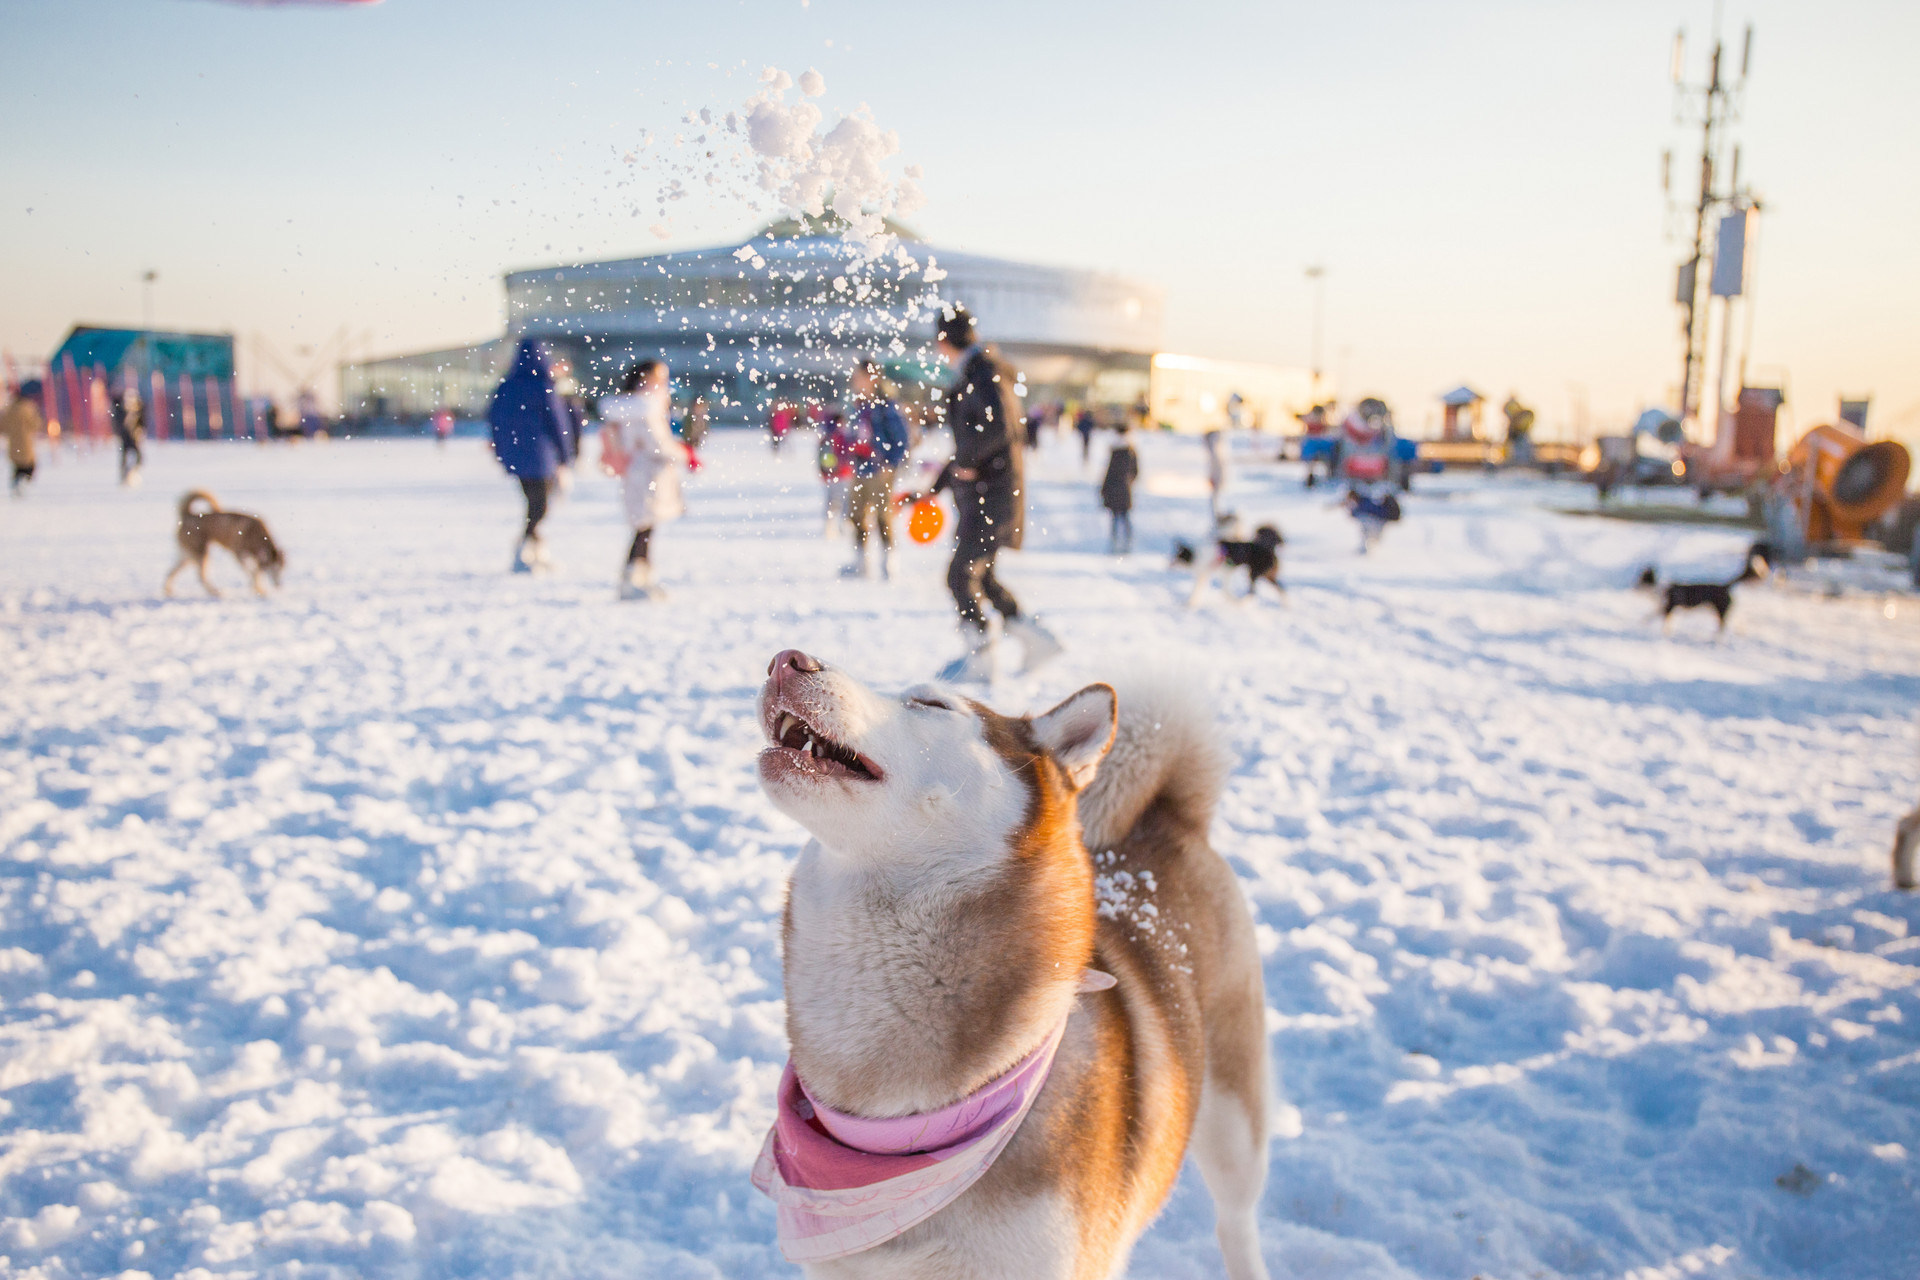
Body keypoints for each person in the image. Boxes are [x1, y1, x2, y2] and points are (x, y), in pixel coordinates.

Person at [921, 305, 1060, 681]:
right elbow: (977, 439)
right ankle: (1038, 641)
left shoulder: (984, 372)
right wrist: (934, 489)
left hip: (991, 495)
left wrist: (966, 461)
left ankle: (982, 656)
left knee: (960, 576)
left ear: (942, 340)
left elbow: (1001, 429)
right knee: (982, 577)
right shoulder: (980, 370)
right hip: (988, 493)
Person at [486, 340, 576, 573]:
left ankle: (534, 550)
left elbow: (495, 421)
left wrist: (501, 450)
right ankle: (525, 548)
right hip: (541, 455)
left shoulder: (506, 387)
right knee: (540, 504)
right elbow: (558, 423)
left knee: (533, 502)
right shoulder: (543, 386)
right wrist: (566, 456)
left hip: (515, 454)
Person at [599, 359, 685, 600]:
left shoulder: (626, 407)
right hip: (649, 473)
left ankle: (639, 577)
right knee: (644, 527)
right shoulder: (645, 407)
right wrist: (682, 453)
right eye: (660, 377)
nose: (664, 384)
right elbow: (657, 444)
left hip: (636, 472)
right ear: (645, 378)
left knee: (644, 526)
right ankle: (633, 579)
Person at [840, 358, 912, 579]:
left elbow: (901, 439)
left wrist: (891, 463)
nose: (855, 382)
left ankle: (889, 561)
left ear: (871, 378)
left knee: (883, 514)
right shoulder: (857, 407)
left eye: (859, 377)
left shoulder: (886, 407)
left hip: (880, 470)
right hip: (861, 468)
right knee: (856, 514)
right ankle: (861, 560)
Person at [1101, 422, 1139, 554]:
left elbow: (1109, 472)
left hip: (1117, 488)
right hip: (1123, 489)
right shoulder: (1130, 450)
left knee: (1118, 518)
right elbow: (1135, 472)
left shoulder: (1118, 450)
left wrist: (1105, 488)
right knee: (1122, 517)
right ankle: (1124, 543)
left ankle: (1118, 543)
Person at [5, 382, 43, 497]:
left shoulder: (10, 409)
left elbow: (2, 425)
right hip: (26, 442)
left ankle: (18, 482)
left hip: (13, 443)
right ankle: (23, 483)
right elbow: (36, 424)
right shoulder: (28, 408)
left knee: (17, 465)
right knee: (29, 465)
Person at [111, 386, 145, 486]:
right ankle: (124, 476)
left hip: (134, 437)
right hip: (124, 437)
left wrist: (141, 431)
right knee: (124, 457)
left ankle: (133, 473)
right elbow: (116, 421)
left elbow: (142, 421)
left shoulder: (138, 409)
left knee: (138, 457)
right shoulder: (120, 410)